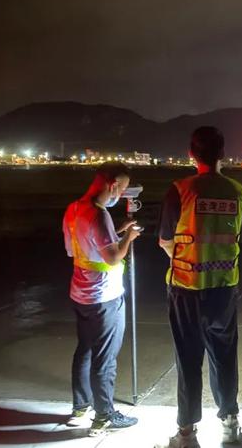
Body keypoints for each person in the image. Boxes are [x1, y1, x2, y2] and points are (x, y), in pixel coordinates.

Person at [157, 126, 242, 448]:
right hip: (224, 288)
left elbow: (166, 241)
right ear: (222, 153)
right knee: (225, 356)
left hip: (186, 287)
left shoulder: (180, 189)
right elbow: (237, 235)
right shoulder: (238, 191)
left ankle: (186, 434)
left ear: (191, 154)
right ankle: (230, 422)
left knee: (188, 359)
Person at [63, 162, 141, 436]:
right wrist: (129, 237)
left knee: (84, 349)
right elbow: (111, 256)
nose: (121, 193)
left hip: (80, 294)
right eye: (121, 188)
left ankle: (80, 408)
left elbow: (77, 250)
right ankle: (104, 416)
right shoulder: (99, 215)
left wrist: (116, 233)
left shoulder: (73, 209)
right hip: (105, 297)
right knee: (105, 358)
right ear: (112, 185)